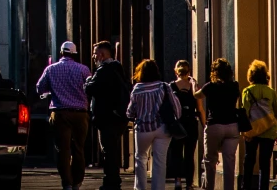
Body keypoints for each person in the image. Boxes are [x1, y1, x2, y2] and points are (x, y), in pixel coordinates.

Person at [37, 40, 92, 190]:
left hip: (60, 113)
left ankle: (67, 183)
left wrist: (52, 90)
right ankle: (77, 182)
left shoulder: (51, 69)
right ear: (74, 54)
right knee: (79, 148)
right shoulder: (83, 70)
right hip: (80, 114)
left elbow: (40, 88)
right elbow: (90, 88)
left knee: (63, 150)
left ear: (61, 53)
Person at [126, 58, 180, 190]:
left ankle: (140, 188)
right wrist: (176, 119)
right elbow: (176, 107)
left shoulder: (137, 89)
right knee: (160, 161)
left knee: (140, 159)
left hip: (143, 129)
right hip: (162, 128)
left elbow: (129, 112)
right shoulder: (164, 86)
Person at [86, 41, 130, 190]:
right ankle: (113, 180)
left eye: (95, 53)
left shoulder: (103, 70)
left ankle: (111, 183)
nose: (93, 56)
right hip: (118, 117)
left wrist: (87, 82)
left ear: (102, 54)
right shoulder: (118, 68)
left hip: (107, 119)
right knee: (112, 150)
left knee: (108, 152)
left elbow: (92, 88)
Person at [194, 57, 240, 190]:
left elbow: (197, 96)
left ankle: (209, 187)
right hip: (232, 126)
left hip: (215, 125)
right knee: (229, 161)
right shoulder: (234, 85)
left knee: (210, 160)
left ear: (214, 72)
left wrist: (194, 88)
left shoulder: (210, 86)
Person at [240, 60, 277, 190]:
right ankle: (263, 187)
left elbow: (245, 112)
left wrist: (244, 131)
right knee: (265, 164)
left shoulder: (247, 91)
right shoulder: (271, 92)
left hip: (252, 130)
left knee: (249, 160)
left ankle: (246, 186)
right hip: (269, 129)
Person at [168, 60, 199, 190]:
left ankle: (178, 181)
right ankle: (189, 184)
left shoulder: (171, 86)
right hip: (191, 122)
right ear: (189, 71)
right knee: (189, 154)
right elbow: (200, 107)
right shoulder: (193, 86)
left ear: (176, 71)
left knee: (176, 153)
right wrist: (204, 123)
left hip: (177, 123)